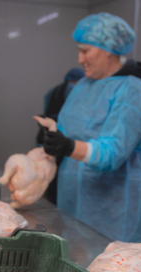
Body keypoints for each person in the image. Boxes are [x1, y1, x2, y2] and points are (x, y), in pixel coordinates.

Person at [35, 12, 141, 244]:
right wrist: (55, 136)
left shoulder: (134, 92)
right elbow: (71, 128)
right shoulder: (84, 85)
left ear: (109, 50)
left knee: (115, 259)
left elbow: (113, 152)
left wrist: (68, 147)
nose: (79, 59)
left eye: (85, 51)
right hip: (76, 194)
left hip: (116, 198)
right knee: (77, 250)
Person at [37, 67, 84, 204]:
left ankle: (52, 201)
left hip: (49, 136)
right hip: (61, 139)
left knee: (51, 173)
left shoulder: (53, 91)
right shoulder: (74, 92)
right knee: (54, 175)